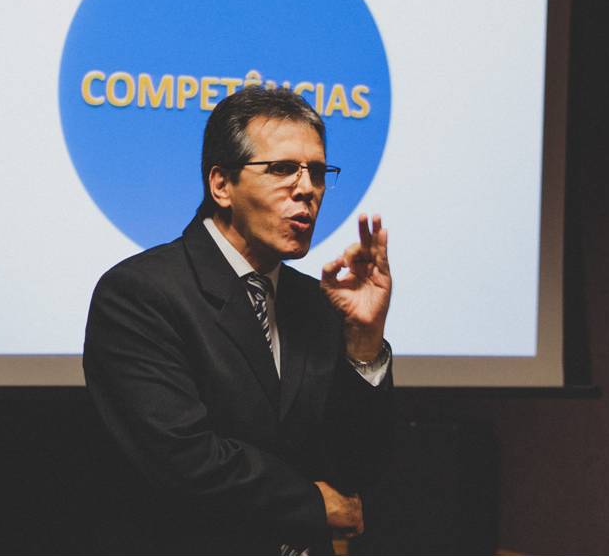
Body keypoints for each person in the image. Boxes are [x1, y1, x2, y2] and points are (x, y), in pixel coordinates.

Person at [84, 86, 393, 554]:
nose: (308, 188)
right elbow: (182, 457)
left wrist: (365, 342)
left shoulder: (318, 302)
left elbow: (356, 466)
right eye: (283, 169)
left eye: (317, 171)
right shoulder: (139, 293)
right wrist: (310, 503)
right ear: (221, 185)